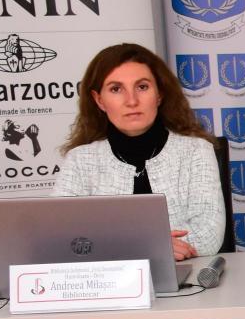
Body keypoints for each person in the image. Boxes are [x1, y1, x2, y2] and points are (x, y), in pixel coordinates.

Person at [56, 42, 224, 262]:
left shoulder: (196, 151)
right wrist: (150, 247)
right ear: (99, 100)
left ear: (159, 94)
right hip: (107, 280)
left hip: (185, 278)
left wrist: (110, 247)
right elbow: (61, 237)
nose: (132, 101)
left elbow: (209, 234)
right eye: (116, 89)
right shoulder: (80, 160)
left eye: (142, 87)